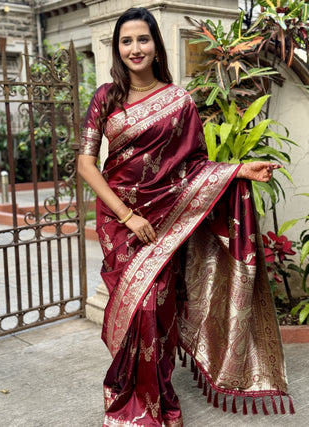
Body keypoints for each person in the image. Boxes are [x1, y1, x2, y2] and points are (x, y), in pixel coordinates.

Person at [78, 7, 292, 427]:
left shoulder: (178, 101)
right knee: (130, 309)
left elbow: (194, 167)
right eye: (126, 41)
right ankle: (124, 393)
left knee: (153, 307)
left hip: (163, 219)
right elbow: (86, 164)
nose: (135, 48)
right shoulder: (106, 97)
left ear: (156, 45)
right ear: (117, 49)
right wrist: (127, 216)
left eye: (143, 39)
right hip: (118, 221)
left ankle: (155, 401)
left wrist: (238, 171)